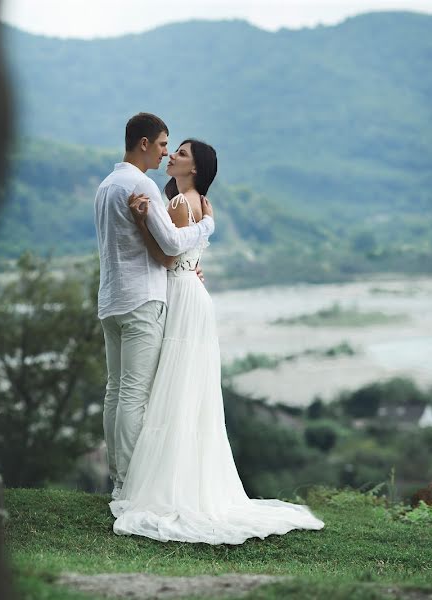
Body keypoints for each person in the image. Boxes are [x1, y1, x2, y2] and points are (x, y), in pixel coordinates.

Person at [110, 138, 325, 545]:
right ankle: (189, 483)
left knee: (166, 391)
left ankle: (152, 484)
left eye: (182, 153)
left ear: (195, 168)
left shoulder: (177, 204)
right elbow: (189, 256)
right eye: (172, 150)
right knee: (188, 393)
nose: (172, 156)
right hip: (194, 295)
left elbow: (169, 257)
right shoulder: (197, 202)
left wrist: (141, 222)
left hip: (178, 293)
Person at [94, 113, 215, 501]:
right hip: (142, 299)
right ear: (144, 144)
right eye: (163, 144)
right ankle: (127, 483)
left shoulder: (106, 185)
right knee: (133, 394)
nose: (166, 152)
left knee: (115, 391)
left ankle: (117, 477)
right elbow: (173, 245)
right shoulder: (141, 185)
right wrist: (207, 227)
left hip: (110, 299)